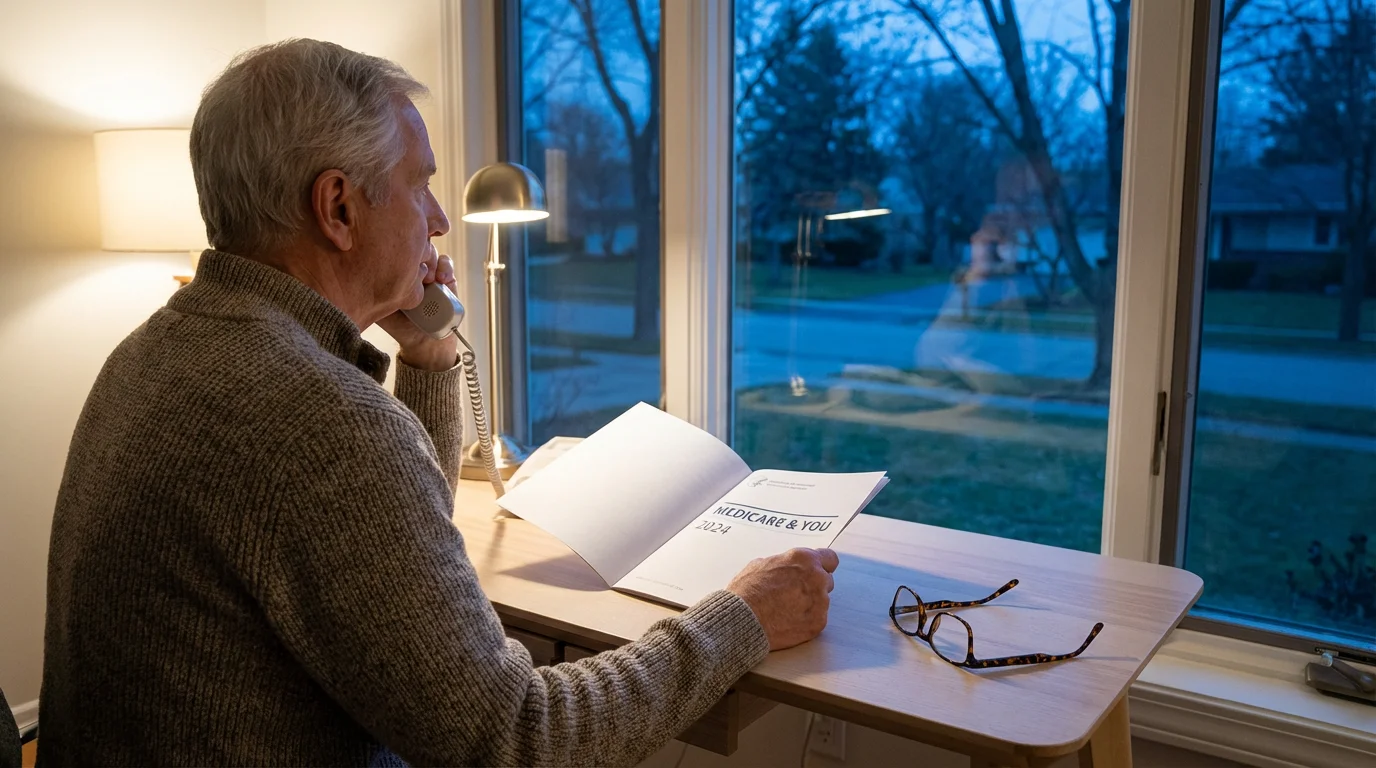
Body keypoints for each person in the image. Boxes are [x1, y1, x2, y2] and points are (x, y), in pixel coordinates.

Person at [39, 39, 839, 767]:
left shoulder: (153, 350)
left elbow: (378, 573)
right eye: (419, 184)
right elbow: (514, 737)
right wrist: (740, 615)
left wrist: (424, 357)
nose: (440, 219)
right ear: (339, 208)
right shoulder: (322, 424)